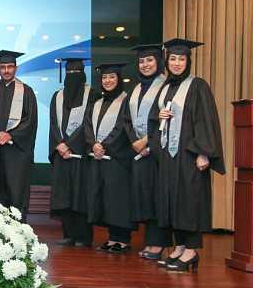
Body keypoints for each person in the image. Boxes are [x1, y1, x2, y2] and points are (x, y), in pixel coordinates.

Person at [149, 38, 225, 272]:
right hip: (169, 156)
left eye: (181, 59)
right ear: (167, 62)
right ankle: (180, 246)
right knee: (173, 202)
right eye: (173, 59)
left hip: (190, 155)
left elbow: (206, 120)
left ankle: (192, 251)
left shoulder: (198, 86)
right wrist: (159, 117)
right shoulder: (165, 88)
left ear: (188, 61)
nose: (177, 63)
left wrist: (204, 153)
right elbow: (154, 121)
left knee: (190, 202)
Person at [0, 50, 38, 214]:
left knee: (16, 191)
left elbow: (30, 121)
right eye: (2, 67)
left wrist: (10, 135)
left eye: (10, 66)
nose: (6, 70)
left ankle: (18, 226)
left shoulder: (26, 91)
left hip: (16, 152)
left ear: (16, 68)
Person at [123, 44, 169, 260]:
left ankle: (159, 244)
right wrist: (135, 141)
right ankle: (151, 241)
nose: (145, 65)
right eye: (141, 61)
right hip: (139, 152)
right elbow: (126, 119)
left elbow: (169, 119)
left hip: (158, 152)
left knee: (158, 197)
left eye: (150, 60)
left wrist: (148, 143)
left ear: (159, 62)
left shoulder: (166, 86)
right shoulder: (136, 89)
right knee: (146, 198)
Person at [84, 61, 135, 253]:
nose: (107, 80)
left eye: (112, 77)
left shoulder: (127, 101)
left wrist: (104, 145)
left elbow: (123, 127)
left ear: (119, 79)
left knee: (119, 199)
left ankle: (123, 239)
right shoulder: (96, 103)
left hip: (118, 158)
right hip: (99, 158)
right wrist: (93, 144)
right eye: (104, 77)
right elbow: (87, 126)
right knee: (107, 199)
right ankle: (113, 238)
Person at [49, 58, 95, 246]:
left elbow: (89, 123)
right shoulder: (57, 96)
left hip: (80, 154)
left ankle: (83, 236)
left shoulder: (92, 95)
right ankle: (68, 234)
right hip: (61, 154)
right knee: (64, 195)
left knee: (80, 195)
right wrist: (59, 144)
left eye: (76, 73)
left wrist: (70, 145)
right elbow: (53, 123)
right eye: (69, 73)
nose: (72, 76)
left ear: (83, 75)